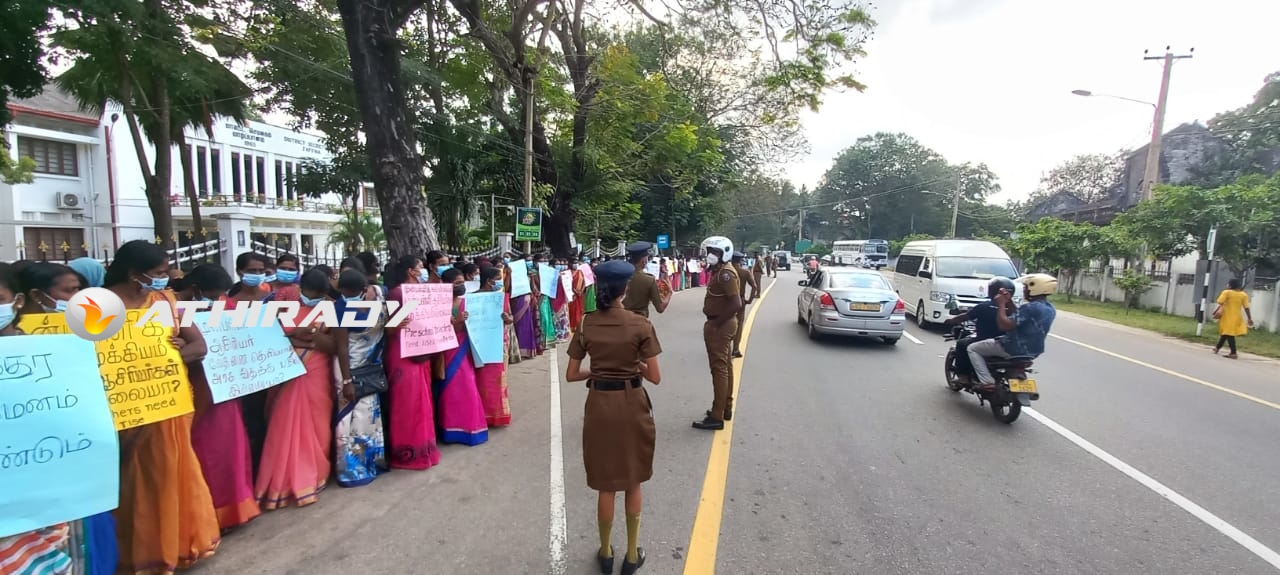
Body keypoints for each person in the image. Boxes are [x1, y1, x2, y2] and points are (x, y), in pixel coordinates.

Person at [105, 240, 221, 574]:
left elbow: (199, 347)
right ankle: (134, 551)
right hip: (122, 409)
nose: (165, 279)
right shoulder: (98, 305)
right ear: (134, 273)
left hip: (168, 404)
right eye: (159, 273)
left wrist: (171, 355)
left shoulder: (166, 302)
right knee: (131, 483)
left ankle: (173, 547)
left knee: (169, 477)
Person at [564, 260, 662, 575]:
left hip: (599, 406)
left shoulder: (586, 323)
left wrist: (598, 370)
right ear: (626, 289)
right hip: (632, 404)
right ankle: (632, 555)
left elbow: (571, 374)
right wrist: (633, 365)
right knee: (632, 480)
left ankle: (606, 553)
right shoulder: (640, 324)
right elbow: (655, 376)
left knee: (606, 485)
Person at [174, 265, 262, 531]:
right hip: (194, 389)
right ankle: (205, 513)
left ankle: (234, 509)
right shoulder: (174, 311)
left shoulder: (226, 307)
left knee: (229, 448)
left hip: (225, 389)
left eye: (221, 295)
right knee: (202, 450)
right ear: (196, 290)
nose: (217, 300)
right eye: (213, 296)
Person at [255, 268, 337, 509]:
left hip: (317, 373)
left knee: (318, 425)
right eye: (308, 294)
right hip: (288, 373)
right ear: (300, 290)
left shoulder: (331, 310)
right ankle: (281, 483)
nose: (311, 299)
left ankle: (314, 474)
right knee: (283, 425)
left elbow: (335, 345)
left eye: (317, 295)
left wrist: (310, 338)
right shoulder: (284, 309)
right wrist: (297, 337)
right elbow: (269, 339)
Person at [331, 269, 389, 486]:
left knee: (367, 418)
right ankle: (351, 470)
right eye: (347, 292)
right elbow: (342, 348)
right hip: (350, 369)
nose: (350, 295)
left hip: (368, 369)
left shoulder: (375, 306)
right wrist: (347, 381)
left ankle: (370, 462)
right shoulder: (339, 309)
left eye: (353, 292)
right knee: (351, 419)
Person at [384, 255, 442, 470]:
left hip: (421, 350)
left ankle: (425, 449)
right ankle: (406, 453)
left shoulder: (424, 291)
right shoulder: (396, 293)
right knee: (407, 402)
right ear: (411, 270)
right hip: (402, 353)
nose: (423, 270)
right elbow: (388, 327)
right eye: (420, 267)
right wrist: (395, 325)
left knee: (423, 401)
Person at [967, 273, 1058, 390]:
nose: (1024, 290)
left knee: (972, 348)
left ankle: (987, 381)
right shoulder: (1050, 309)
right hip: (1032, 351)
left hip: (1011, 347)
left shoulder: (1029, 307)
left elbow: (1004, 326)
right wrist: (1009, 301)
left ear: (1035, 288)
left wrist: (1001, 304)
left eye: (1026, 288)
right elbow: (1019, 316)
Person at [433, 268, 489, 445]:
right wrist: (455, 322)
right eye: (456, 283)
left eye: (462, 283)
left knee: (467, 385)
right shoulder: (437, 305)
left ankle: (470, 429)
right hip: (446, 349)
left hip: (465, 349)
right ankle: (449, 429)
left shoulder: (469, 302)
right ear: (446, 285)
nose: (461, 286)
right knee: (448, 390)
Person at [695, 236, 742, 431]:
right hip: (721, 323)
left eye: (715, 252)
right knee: (725, 367)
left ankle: (717, 415)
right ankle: (725, 407)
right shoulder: (720, 270)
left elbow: (736, 303)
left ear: (725, 253)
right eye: (709, 252)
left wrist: (717, 324)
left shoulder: (725, 274)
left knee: (719, 370)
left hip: (720, 325)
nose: (710, 255)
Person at [943, 276, 1016, 384]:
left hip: (985, 340)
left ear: (992, 291)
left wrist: (951, 321)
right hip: (1008, 343)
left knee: (962, 344)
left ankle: (963, 376)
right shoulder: (1014, 310)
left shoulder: (984, 306)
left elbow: (966, 316)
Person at [475, 266, 514, 427]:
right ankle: (482, 414)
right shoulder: (472, 298)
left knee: (497, 381)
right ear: (488, 281)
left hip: (497, 344)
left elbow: (510, 317)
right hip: (478, 345)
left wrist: (507, 319)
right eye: (498, 279)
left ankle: (497, 414)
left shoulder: (501, 298)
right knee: (480, 381)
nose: (500, 282)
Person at [621, 242, 670, 318]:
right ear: (644, 261)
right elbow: (660, 308)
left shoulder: (620, 276)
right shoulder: (649, 280)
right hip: (640, 320)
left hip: (621, 318)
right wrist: (669, 293)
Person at [1212, 278, 1254, 359]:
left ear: (1230, 285)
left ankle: (1233, 352)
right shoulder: (1243, 295)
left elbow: (1220, 302)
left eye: (1228, 284)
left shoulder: (1226, 292)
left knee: (1229, 334)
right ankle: (1217, 347)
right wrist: (1249, 318)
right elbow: (1246, 307)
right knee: (1226, 332)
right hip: (1237, 317)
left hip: (1227, 316)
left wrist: (1216, 311)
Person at [730, 252, 757, 358]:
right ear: (741, 261)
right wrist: (749, 300)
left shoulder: (726, 271)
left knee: (725, 323)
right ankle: (735, 349)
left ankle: (725, 347)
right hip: (740, 300)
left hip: (727, 301)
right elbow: (754, 286)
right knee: (739, 324)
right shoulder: (745, 272)